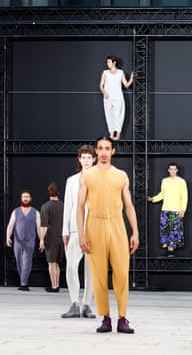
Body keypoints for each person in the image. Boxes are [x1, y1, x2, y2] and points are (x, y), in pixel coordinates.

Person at [77, 136, 140, 334]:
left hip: (117, 225)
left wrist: (135, 232)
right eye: (100, 148)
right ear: (96, 151)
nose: (104, 152)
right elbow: (79, 208)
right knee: (99, 276)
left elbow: (129, 206)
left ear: (113, 151)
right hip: (94, 225)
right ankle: (105, 318)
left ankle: (122, 318)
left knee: (122, 273)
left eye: (107, 148)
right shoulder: (87, 175)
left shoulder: (121, 175)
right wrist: (81, 234)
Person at [61, 144, 97, 319]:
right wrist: (64, 230)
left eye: (89, 157)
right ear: (79, 159)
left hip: (94, 229)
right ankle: (74, 303)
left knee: (91, 269)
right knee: (71, 266)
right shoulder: (72, 180)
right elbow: (68, 206)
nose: (86, 161)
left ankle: (87, 304)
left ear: (94, 159)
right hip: (75, 229)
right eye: (84, 157)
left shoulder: (99, 179)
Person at [148, 162, 189, 257]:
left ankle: (172, 251)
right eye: (171, 169)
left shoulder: (181, 181)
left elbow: (185, 197)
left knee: (175, 231)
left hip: (176, 210)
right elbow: (162, 194)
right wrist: (153, 199)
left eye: (174, 169)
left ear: (177, 170)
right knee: (165, 230)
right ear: (168, 170)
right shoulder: (164, 181)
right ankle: (168, 251)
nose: (173, 171)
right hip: (165, 210)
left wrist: (183, 210)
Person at [5, 190, 41, 291]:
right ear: (21, 199)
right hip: (18, 240)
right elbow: (11, 225)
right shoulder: (16, 211)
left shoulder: (35, 212)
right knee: (19, 261)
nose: (25, 198)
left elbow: (39, 227)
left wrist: (41, 239)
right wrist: (8, 237)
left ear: (30, 199)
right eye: (23, 197)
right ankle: (23, 280)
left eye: (27, 197)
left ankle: (24, 283)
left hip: (30, 240)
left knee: (27, 261)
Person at [99, 55, 134, 141]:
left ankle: (117, 134)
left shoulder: (120, 72)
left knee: (118, 115)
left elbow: (126, 85)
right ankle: (111, 133)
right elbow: (100, 86)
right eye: (107, 62)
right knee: (109, 114)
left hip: (118, 96)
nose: (108, 64)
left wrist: (132, 78)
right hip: (108, 97)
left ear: (114, 62)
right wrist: (104, 92)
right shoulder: (105, 73)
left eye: (109, 62)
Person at [40, 182, 65, 293]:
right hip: (62, 237)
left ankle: (54, 286)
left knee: (51, 263)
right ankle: (57, 285)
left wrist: (41, 239)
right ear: (58, 192)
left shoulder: (45, 207)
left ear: (48, 192)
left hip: (50, 238)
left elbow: (44, 225)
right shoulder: (63, 206)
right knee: (57, 263)